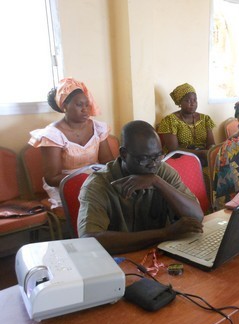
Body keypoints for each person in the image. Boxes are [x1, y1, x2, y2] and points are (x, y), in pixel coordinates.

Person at [77, 120, 204, 254]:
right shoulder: (98, 184)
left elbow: (196, 217)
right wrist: (164, 234)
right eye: (144, 158)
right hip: (120, 261)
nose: (153, 165)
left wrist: (157, 182)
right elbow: (88, 240)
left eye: (157, 156)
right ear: (124, 154)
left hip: (159, 256)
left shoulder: (161, 171)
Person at [28, 77, 114, 212]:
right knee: (92, 206)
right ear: (64, 106)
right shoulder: (52, 135)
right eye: (79, 105)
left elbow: (108, 162)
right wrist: (85, 180)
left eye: (87, 104)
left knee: (117, 201)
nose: (85, 110)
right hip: (65, 183)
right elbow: (52, 178)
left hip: (95, 178)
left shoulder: (98, 128)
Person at [157, 83, 215, 166]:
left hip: (204, 158)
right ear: (180, 102)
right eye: (188, 100)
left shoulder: (205, 119)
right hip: (180, 160)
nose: (193, 103)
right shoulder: (170, 121)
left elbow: (211, 143)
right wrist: (200, 153)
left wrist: (211, 151)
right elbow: (174, 150)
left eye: (195, 100)